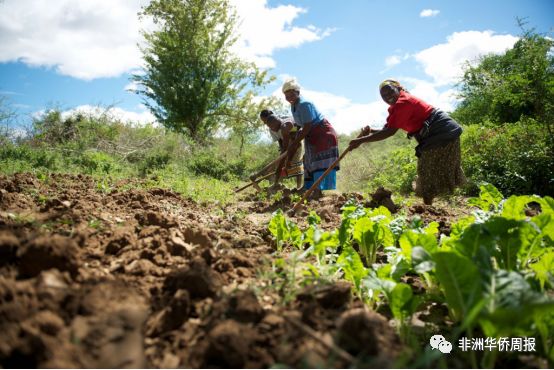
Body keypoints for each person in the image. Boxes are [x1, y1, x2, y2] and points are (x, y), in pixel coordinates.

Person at [348, 79, 466, 205]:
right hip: (437, 134)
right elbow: (387, 128)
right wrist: (371, 131)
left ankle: (431, 208)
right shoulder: (397, 106)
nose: (388, 97)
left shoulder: (404, 102)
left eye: (390, 92)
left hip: (442, 131)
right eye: (384, 96)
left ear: (399, 89)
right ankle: (432, 206)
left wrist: (360, 141)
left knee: (429, 169)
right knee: (429, 169)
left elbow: (389, 132)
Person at [281, 78, 340, 197]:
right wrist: (293, 140)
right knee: (308, 161)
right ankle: (307, 188)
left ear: (298, 92)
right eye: (287, 96)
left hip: (323, 134)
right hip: (312, 135)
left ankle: (317, 190)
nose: (289, 97)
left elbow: (307, 126)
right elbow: (300, 125)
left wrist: (296, 141)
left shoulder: (304, 104)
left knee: (319, 162)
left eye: (292, 94)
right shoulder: (293, 106)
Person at [253, 110, 304, 190]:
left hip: (296, 139)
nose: (265, 123)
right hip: (287, 141)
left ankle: (298, 187)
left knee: (295, 163)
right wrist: (282, 153)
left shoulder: (286, 125)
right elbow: (281, 141)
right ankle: (276, 184)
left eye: (265, 121)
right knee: (281, 163)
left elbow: (295, 139)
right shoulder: (272, 127)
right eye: (265, 122)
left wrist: (286, 160)